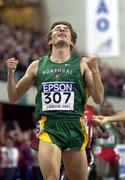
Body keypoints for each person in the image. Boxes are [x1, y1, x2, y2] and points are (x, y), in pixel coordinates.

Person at [6, 21, 104, 180]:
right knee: (51, 177)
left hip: (75, 126)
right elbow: (13, 96)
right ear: (50, 40)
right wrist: (10, 76)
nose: (62, 30)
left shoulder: (82, 64)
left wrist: (96, 72)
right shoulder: (37, 65)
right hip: (49, 127)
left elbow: (98, 98)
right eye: (57, 29)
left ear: (71, 41)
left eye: (66, 29)